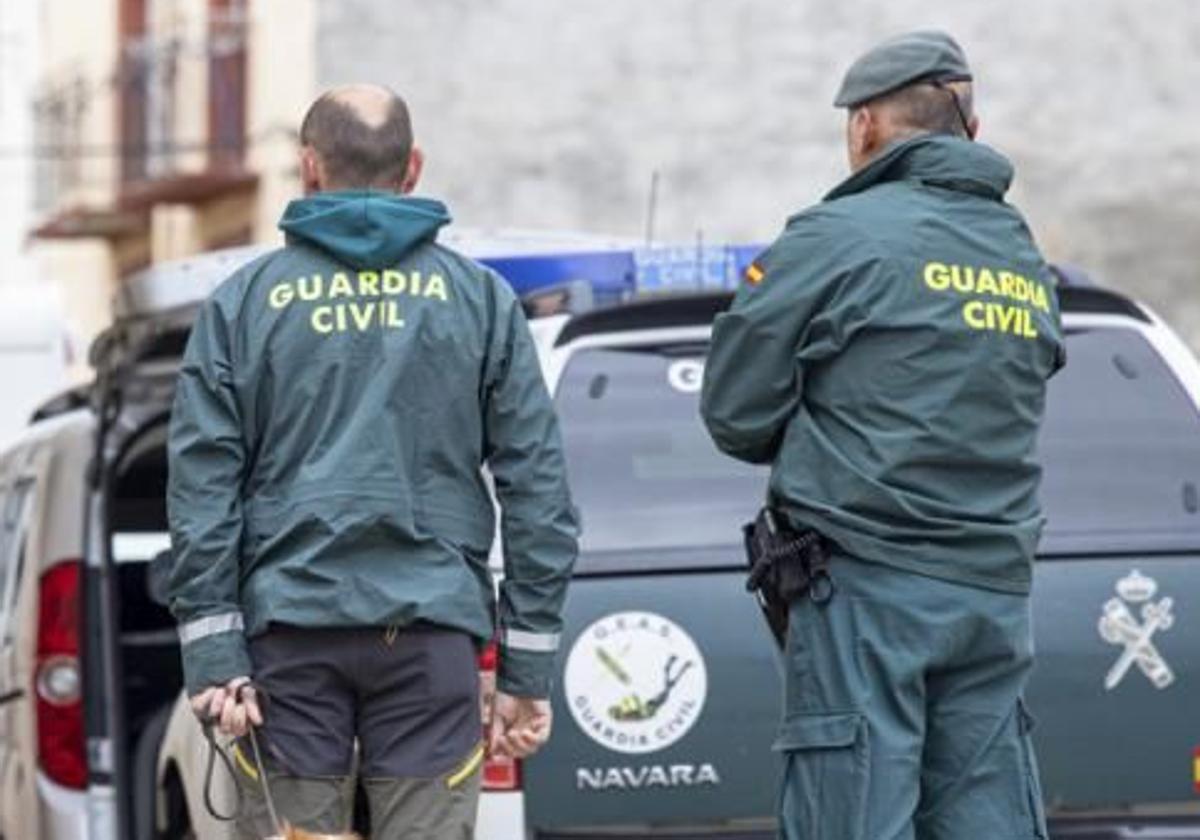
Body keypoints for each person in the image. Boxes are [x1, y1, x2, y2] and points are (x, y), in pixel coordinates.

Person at [166, 84, 579, 839]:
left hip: (287, 645)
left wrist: (216, 656)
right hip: (430, 641)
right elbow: (538, 495)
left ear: (308, 168)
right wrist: (523, 674)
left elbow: (202, 492)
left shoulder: (241, 306)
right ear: (413, 168)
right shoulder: (481, 303)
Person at [701, 31, 1064, 840]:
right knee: (985, 819)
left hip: (868, 590)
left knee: (853, 813)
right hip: (994, 593)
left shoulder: (836, 237)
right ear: (969, 125)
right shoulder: (1018, 251)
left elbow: (734, 412)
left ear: (865, 125)